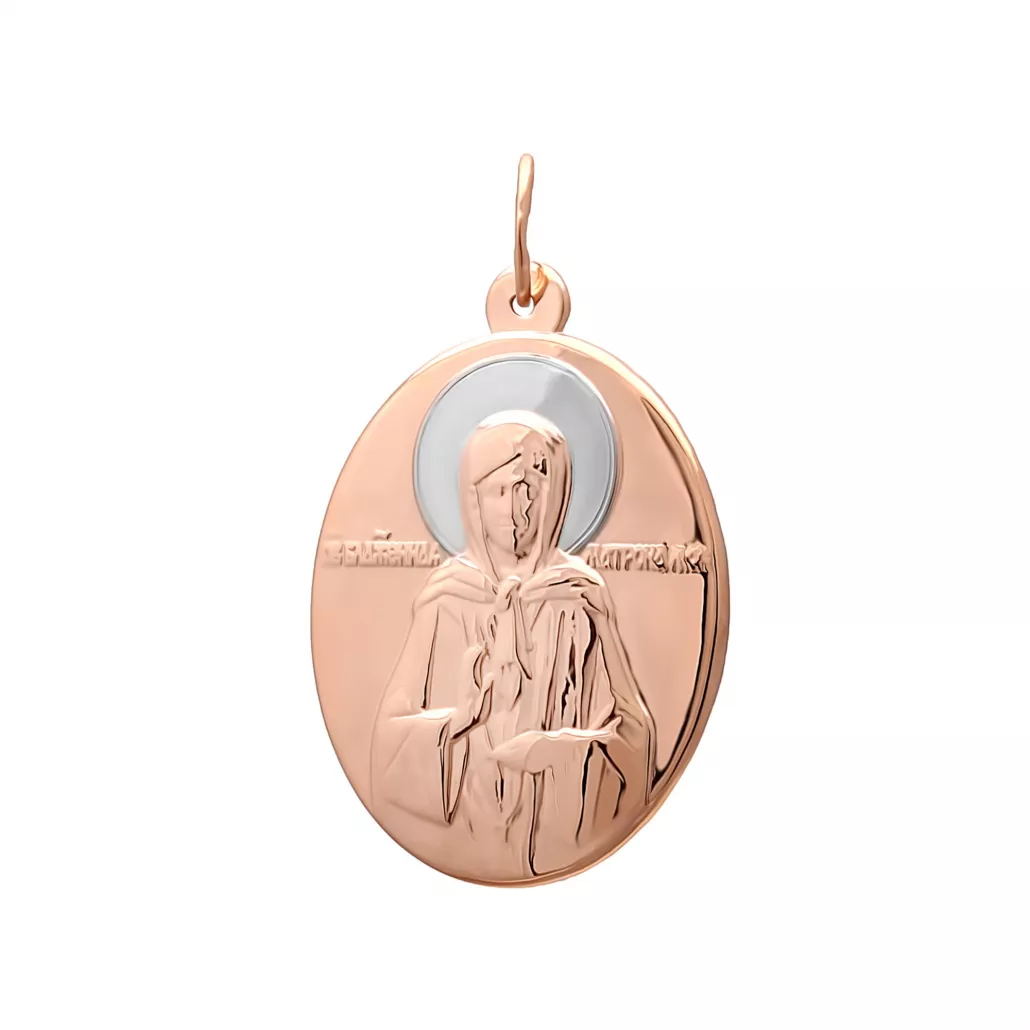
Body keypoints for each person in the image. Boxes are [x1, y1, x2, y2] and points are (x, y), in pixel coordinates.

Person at [371, 411, 655, 879]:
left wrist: (557, 750)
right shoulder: (445, 599)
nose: (516, 510)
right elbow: (385, 751)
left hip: (565, 848)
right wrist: (458, 721)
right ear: (473, 501)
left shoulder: (580, 598)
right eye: (500, 491)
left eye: (530, 491)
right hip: (456, 845)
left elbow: (634, 744)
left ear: (555, 499)